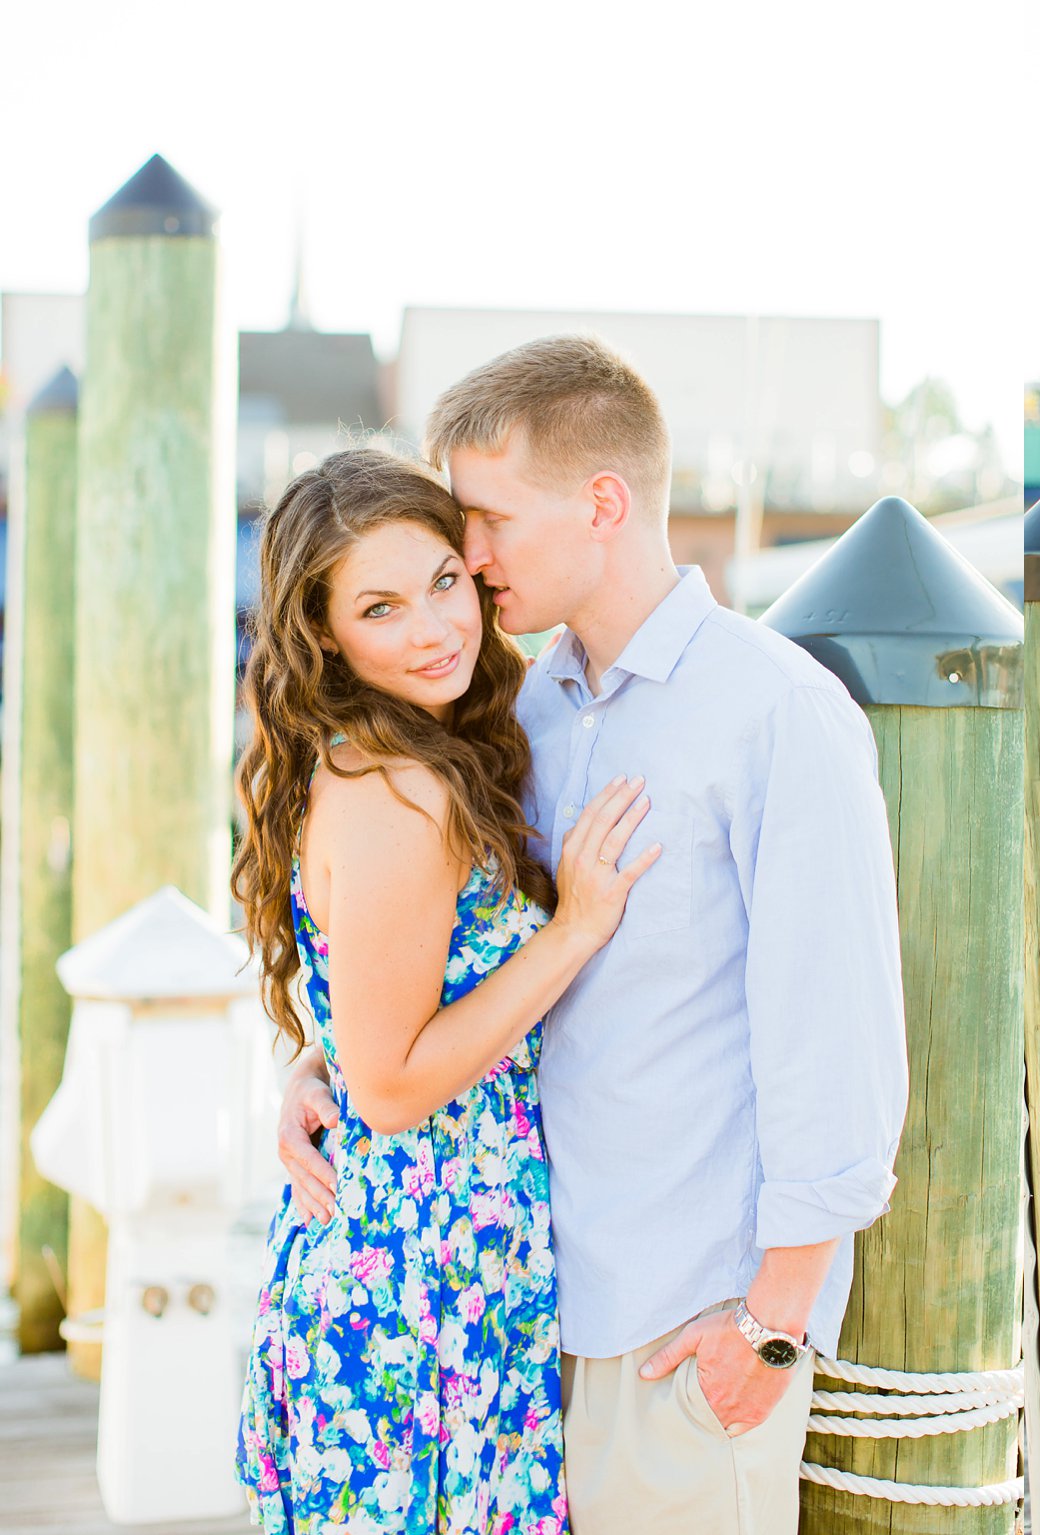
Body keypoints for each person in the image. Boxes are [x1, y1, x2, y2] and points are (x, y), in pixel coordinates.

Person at [275, 336, 909, 1534]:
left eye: (488, 519)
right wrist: (313, 1061)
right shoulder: (516, 711)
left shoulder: (776, 712)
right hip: (514, 1325)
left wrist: (770, 1328)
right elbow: (420, 962)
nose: (467, 555)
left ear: (603, 502)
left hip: (686, 1327)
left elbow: (840, 1040)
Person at [232, 448, 660, 1533]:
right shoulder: (397, 789)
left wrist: (314, 1052)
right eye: (381, 606)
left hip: (440, 1256)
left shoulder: (400, 755)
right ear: (324, 633)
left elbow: (374, 1013)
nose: (435, 628)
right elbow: (388, 1086)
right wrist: (572, 932)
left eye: (443, 581)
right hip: (415, 1281)